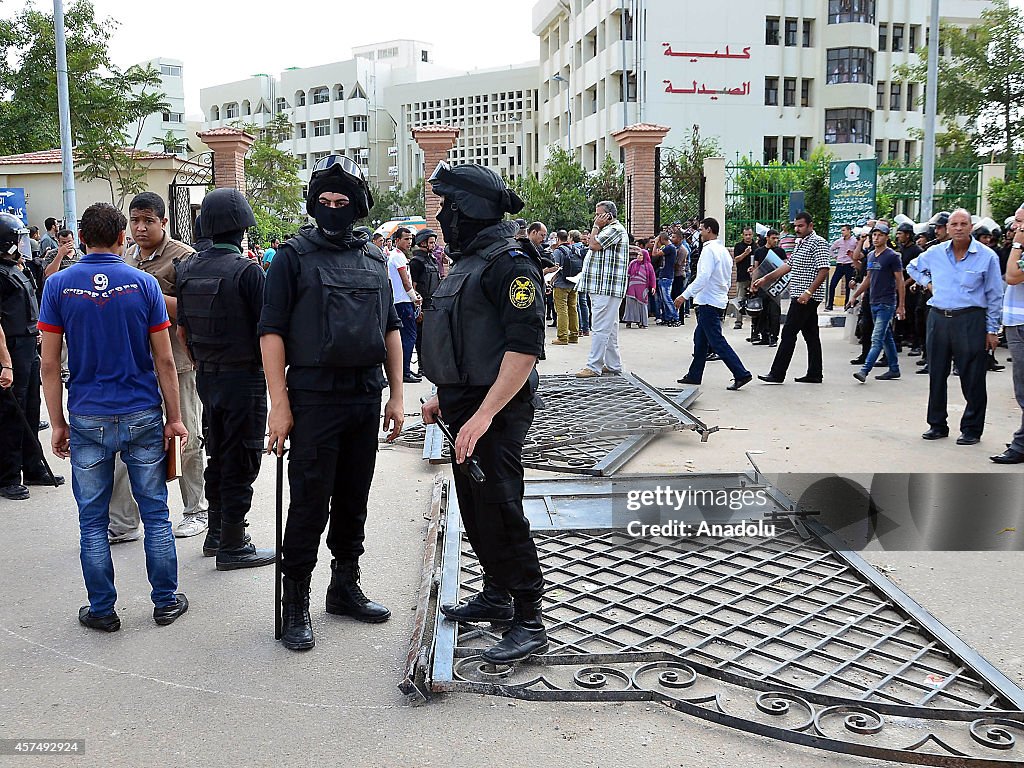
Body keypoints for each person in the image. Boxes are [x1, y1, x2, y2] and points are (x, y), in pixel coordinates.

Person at [260, 154, 404, 651]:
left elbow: (391, 329)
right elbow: (271, 332)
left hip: (364, 395)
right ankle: (294, 599)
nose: (334, 209)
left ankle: (344, 587)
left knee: (353, 499)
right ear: (313, 204)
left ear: (358, 206)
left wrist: (398, 396)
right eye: (325, 201)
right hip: (313, 398)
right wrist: (279, 404)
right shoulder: (292, 257)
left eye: (343, 202)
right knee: (308, 502)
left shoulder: (373, 258)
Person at [38, 202, 189, 631]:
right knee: (156, 513)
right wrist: (174, 418)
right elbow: (164, 360)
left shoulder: (58, 287)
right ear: (123, 238)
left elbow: (49, 365)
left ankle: (102, 610)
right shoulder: (143, 284)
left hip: (87, 414)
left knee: (92, 520)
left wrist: (58, 422)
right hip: (141, 411)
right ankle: (164, 601)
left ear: (81, 239)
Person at [419, 161, 548, 664]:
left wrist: (483, 415)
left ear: (470, 208)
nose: (444, 216)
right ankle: (496, 594)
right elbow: (471, 339)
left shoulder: (510, 264)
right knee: (475, 509)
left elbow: (522, 350)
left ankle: (530, 615)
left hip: (495, 409)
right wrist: (445, 399)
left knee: (500, 506)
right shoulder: (472, 262)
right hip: (465, 404)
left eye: (450, 206)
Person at [175, 189, 275, 570]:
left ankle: (216, 532)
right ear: (243, 228)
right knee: (242, 457)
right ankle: (233, 542)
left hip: (208, 377)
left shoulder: (188, 268)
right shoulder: (249, 272)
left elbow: (183, 332)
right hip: (243, 378)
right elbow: (268, 333)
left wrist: (203, 363)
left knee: (218, 451)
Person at [120, 192, 209, 539]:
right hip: (137, 364)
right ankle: (128, 521)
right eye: (135, 221)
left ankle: (195, 509)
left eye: (148, 221)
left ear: (164, 223)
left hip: (179, 363)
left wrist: (149, 288)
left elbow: (191, 310)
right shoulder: (125, 257)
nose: (140, 228)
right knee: (133, 440)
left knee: (185, 434)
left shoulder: (183, 258)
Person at [908, 209, 1004, 444]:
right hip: (939, 318)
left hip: (970, 320)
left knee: (972, 377)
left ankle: (971, 428)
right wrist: (927, 283)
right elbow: (912, 267)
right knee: (936, 373)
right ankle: (937, 424)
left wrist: (992, 330)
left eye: (963, 224)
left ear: (971, 227)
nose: (959, 228)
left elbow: (995, 295)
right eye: (954, 224)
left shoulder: (987, 256)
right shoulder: (935, 253)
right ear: (947, 229)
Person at [0, 213, 63, 500]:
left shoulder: (16, 268)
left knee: (30, 409)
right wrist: (5, 363)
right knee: (11, 414)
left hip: (27, 347)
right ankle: (7, 476)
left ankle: (32, 466)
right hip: (11, 351)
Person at [674, 218, 752, 390]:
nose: (700, 233)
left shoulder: (709, 251)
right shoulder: (723, 250)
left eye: (701, 229)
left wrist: (684, 296)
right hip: (716, 300)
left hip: (709, 302)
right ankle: (694, 375)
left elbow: (703, 277)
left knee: (716, 341)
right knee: (700, 340)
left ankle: (741, 373)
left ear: (709, 230)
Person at [754, 211, 830, 384]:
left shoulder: (818, 243)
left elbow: (824, 269)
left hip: (806, 297)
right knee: (811, 335)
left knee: (788, 333)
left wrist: (808, 292)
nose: (797, 229)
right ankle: (815, 373)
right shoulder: (801, 243)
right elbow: (788, 265)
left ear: (811, 225)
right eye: (795, 226)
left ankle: (777, 373)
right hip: (799, 294)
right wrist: (765, 278)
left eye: (801, 225)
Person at [575, 201, 629, 378]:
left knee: (599, 327)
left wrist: (595, 227)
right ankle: (613, 364)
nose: (596, 218)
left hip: (607, 287)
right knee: (609, 328)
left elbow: (593, 245)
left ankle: (593, 365)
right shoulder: (610, 230)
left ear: (609, 215)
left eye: (599, 214)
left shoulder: (614, 229)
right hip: (603, 287)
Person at [850, 223, 905, 383]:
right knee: (886, 336)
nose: (876, 238)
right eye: (874, 235)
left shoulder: (893, 256)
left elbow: (900, 281)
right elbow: (868, 278)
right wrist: (855, 295)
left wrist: (901, 305)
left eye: (880, 235)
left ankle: (864, 370)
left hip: (886, 303)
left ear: (887, 237)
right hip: (873, 301)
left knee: (877, 338)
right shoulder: (871, 256)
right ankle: (894, 368)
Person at [993, 205, 1024, 463]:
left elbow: (1013, 276)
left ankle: (1021, 444)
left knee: (1023, 389)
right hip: (1016, 323)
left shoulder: (1019, 248)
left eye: (1020, 222)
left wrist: (1017, 246)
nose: (1015, 227)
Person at [387, 226, 421, 383]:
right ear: (397, 240)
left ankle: (404, 370)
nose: (409, 241)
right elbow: (405, 282)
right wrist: (414, 298)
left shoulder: (398, 256)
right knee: (409, 337)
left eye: (410, 238)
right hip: (402, 302)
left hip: (401, 300)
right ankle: (405, 371)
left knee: (405, 337)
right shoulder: (397, 257)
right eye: (406, 239)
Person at [409, 228, 441, 376]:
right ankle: (422, 366)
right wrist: (418, 308)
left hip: (433, 303)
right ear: (423, 243)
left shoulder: (432, 259)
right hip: (423, 304)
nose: (433, 245)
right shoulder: (416, 262)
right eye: (431, 242)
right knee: (422, 338)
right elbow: (413, 286)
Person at [749, 229, 785, 346]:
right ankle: (764, 336)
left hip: (775, 286)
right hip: (762, 285)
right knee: (762, 312)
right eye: (773, 238)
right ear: (767, 238)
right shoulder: (759, 251)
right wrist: (753, 285)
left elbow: (785, 267)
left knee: (774, 312)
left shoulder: (780, 251)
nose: (776, 240)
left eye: (777, 238)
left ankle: (774, 337)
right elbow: (756, 269)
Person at [546, 229, 582, 343]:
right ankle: (574, 335)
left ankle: (562, 336)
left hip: (561, 284)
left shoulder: (558, 251)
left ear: (557, 239)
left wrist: (550, 283)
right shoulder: (574, 249)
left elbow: (555, 269)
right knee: (573, 308)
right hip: (573, 283)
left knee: (561, 310)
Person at [623, 244, 656, 329]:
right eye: (638, 254)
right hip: (632, 287)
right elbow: (628, 274)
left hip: (643, 288)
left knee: (642, 304)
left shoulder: (648, 266)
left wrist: (653, 287)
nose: (638, 256)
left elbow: (652, 277)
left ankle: (642, 322)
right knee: (630, 304)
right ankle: (629, 321)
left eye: (641, 255)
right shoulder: (633, 263)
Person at [827, 224, 858, 311]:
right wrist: (835, 257)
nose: (842, 232)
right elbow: (831, 249)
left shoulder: (854, 241)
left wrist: (854, 260)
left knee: (848, 286)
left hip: (849, 265)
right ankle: (830, 305)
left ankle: (846, 305)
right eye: (841, 230)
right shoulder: (839, 241)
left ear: (849, 231)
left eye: (844, 230)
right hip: (840, 265)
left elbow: (858, 251)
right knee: (833, 284)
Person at [731, 227, 755, 329]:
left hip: (754, 277)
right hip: (742, 277)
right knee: (740, 299)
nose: (748, 237)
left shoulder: (756, 246)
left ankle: (755, 322)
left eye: (749, 234)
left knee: (754, 299)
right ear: (743, 235)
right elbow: (736, 259)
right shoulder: (739, 246)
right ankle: (738, 321)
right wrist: (745, 253)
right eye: (746, 235)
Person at [656, 231, 680, 326]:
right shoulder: (668, 248)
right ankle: (668, 317)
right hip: (664, 275)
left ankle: (675, 317)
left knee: (667, 298)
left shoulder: (669, 248)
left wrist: (656, 243)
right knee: (663, 299)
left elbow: (655, 253)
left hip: (667, 276)